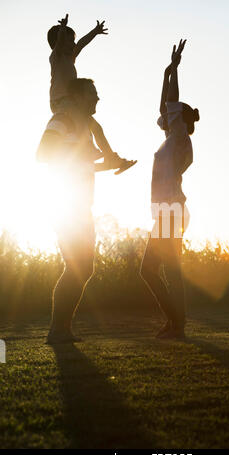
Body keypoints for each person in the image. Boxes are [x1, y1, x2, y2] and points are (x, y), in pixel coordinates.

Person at [37, 78, 135, 344]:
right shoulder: (63, 120)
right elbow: (43, 153)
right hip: (67, 207)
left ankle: (61, 329)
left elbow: (83, 165)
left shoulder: (85, 130)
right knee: (77, 265)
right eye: (93, 94)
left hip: (80, 207)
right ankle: (57, 330)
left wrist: (114, 164)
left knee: (83, 267)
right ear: (78, 96)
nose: (98, 99)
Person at [140, 40, 199, 340]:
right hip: (167, 210)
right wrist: (165, 74)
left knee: (155, 269)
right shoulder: (172, 138)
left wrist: (175, 71)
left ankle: (177, 324)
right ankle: (175, 322)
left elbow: (171, 103)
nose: (168, 116)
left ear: (181, 121)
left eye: (174, 115)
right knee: (152, 270)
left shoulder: (180, 139)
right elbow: (164, 106)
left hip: (172, 210)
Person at [47, 13, 135, 173]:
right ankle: (90, 149)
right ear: (59, 43)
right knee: (84, 123)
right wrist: (61, 31)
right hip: (61, 101)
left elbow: (81, 43)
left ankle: (110, 156)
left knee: (96, 127)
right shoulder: (56, 57)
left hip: (72, 102)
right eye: (70, 41)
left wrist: (94, 32)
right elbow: (59, 44)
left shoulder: (70, 58)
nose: (73, 44)